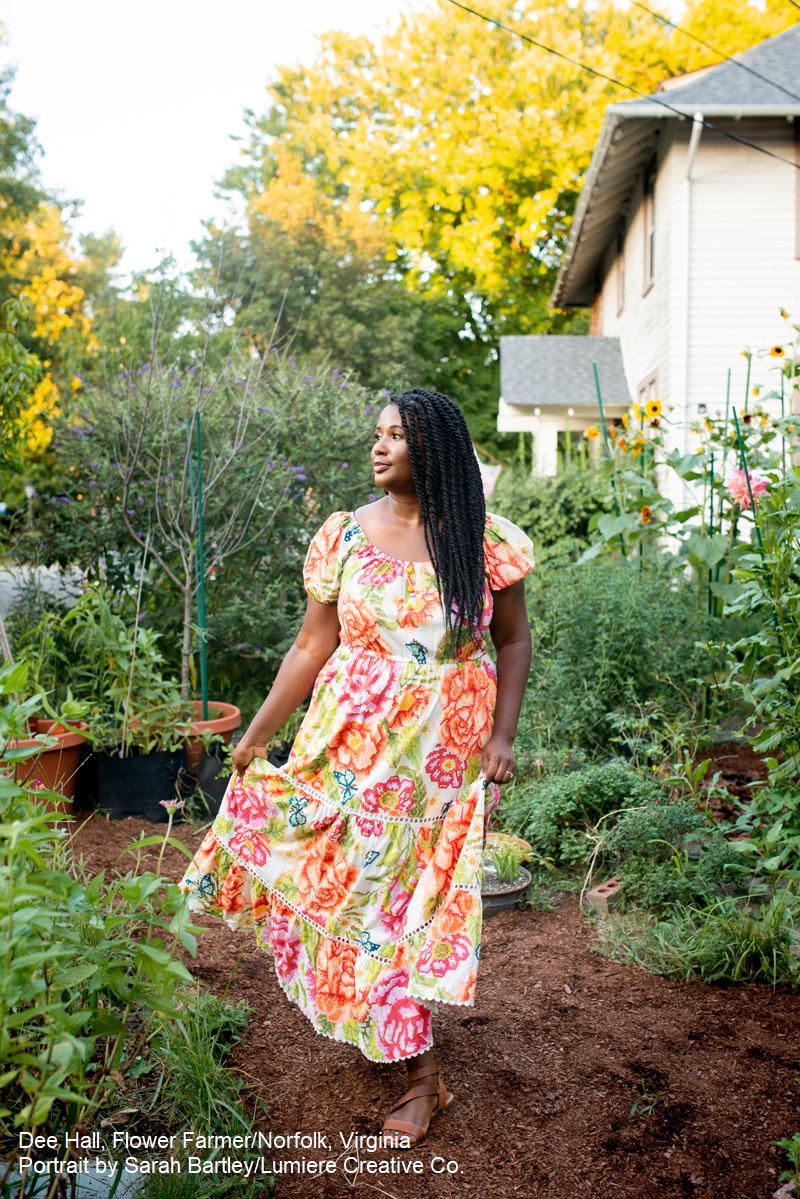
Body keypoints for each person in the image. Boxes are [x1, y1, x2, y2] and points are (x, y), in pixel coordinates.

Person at [180, 387, 533, 1148]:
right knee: (350, 887)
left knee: (408, 902)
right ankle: (398, 1036)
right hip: (346, 749)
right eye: (376, 434)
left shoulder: (483, 540)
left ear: (431, 449)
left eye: (397, 436)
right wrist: (258, 734)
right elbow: (313, 645)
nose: (379, 447)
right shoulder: (344, 535)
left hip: (439, 757)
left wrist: (503, 735)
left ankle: (423, 1075)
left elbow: (512, 640)